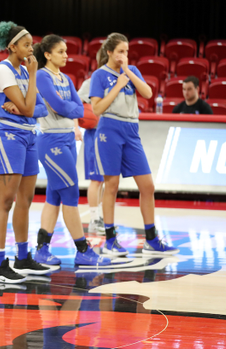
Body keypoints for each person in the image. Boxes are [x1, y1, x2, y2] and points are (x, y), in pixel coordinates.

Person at [89, 33, 179, 256]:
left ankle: (151, 239)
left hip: (131, 130)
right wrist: (118, 86)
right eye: (120, 51)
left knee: (147, 186)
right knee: (111, 185)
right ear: (109, 52)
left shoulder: (131, 71)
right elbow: (97, 109)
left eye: (126, 51)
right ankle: (110, 240)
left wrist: (127, 72)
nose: (124, 55)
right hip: (109, 129)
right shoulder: (99, 75)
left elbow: (148, 93)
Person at [32, 34, 111, 267]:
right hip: (51, 141)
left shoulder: (66, 78)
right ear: (47, 54)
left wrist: (70, 109)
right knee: (71, 195)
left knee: (54, 196)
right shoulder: (42, 76)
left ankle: (41, 249)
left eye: (67, 51)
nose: (67, 55)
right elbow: (61, 106)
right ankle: (83, 250)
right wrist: (71, 109)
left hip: (67, 139)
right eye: (61, 51)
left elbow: (78, 108)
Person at [0, 21, 50, 284]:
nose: (31, 49)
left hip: (29, 136)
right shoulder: (4, 71)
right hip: (9, 136)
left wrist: (27, 106)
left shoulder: (23, 71)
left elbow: (40, 108)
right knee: (6, 200)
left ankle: (22, 257)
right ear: (11, 46)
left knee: (26, 200)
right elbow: (28, 109)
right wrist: (28, 101)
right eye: (26, 44)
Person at [76, 78, 106, 235]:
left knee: (103, 180)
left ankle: (99, 217)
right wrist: (76, 127)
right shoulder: (92, 81)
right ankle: (94, 220)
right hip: (94, 135)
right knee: (96, 180)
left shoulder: (116, 81)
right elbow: (76, 104)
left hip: (109, 133)